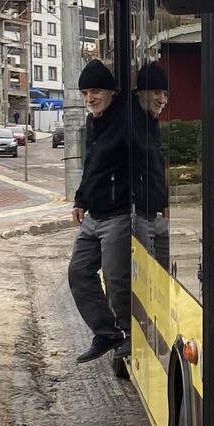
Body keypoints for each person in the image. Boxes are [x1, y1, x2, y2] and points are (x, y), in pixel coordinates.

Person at [70, 58, 132, 362]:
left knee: (116, 279)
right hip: (93, 215)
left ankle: (132, 335)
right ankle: (107, 333)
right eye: (84, 94)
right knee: (79, 273)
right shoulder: (93, 122)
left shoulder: (128, 119)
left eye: (95, 91)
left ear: (111, 92)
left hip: (120, 214)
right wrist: (80, 199)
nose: (89, 98)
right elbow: (91, 166)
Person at [131, 61, 171, 265]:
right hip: (139, 214)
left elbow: (156, 166)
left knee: (162, 273)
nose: (162, 99)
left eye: (165, 94)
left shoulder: (151, 123)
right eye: (157, 92)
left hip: (155, 212)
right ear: (140, 93)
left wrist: (164, 203)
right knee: (148, 271)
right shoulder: (131, 123)